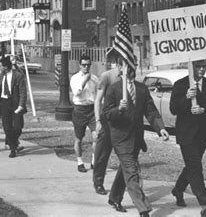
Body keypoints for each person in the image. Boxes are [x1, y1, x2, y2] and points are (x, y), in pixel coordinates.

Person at [103, 63, 169, 217]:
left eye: (131, 64)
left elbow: (151, 111)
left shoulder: (141, 88)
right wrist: (118, 109)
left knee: (126, 169)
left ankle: (114, 197)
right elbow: (107, 114)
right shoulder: (113, 89)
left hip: (136, 138)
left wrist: (161, 128)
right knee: (132, 172)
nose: (128, 68)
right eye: (125, 65)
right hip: (120, 138)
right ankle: (143, 209)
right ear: (120, 68)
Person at [169, 59, 206, 217]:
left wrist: (203, 110)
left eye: (204, 66)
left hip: (202, 135)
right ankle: (205, 204)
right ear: (191, 67)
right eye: (198, 66)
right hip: (186, 134)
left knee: (192, 166)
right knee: (195, 167)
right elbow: (173, 109)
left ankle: (178, 189)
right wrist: (186, 97)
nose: (202, 69)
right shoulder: (180, 84)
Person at [93, 56, 123, 194]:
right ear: (118, 63)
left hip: (122, 121)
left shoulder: (130, 78)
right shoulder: (107, 76)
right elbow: (98, 100)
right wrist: (98, 121)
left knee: (126, 154)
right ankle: (98, 183)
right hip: (107, 120)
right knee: (102, 153)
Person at [70, 54, 98, 173]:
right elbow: (76, 93)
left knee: (97, 136)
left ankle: (94, 161)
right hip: (79, 109)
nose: (86, 67)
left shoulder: (95, 78)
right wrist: (84, 81)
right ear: (79, 65)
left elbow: (98, 94)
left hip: (91, 109)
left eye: (88, 65)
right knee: (78, 138)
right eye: (83, 65)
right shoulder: (75, 78)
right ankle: (80, 162)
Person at [0, 56, 27, 158]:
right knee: (7, 127)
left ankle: (12, 142)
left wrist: (21, 106)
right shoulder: (1, 76)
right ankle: (13, 149)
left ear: (6, 67)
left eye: (1, 66)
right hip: (4, 103)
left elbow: (23, 92)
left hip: (15, 103)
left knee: (18, 127)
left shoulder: (18, 76)